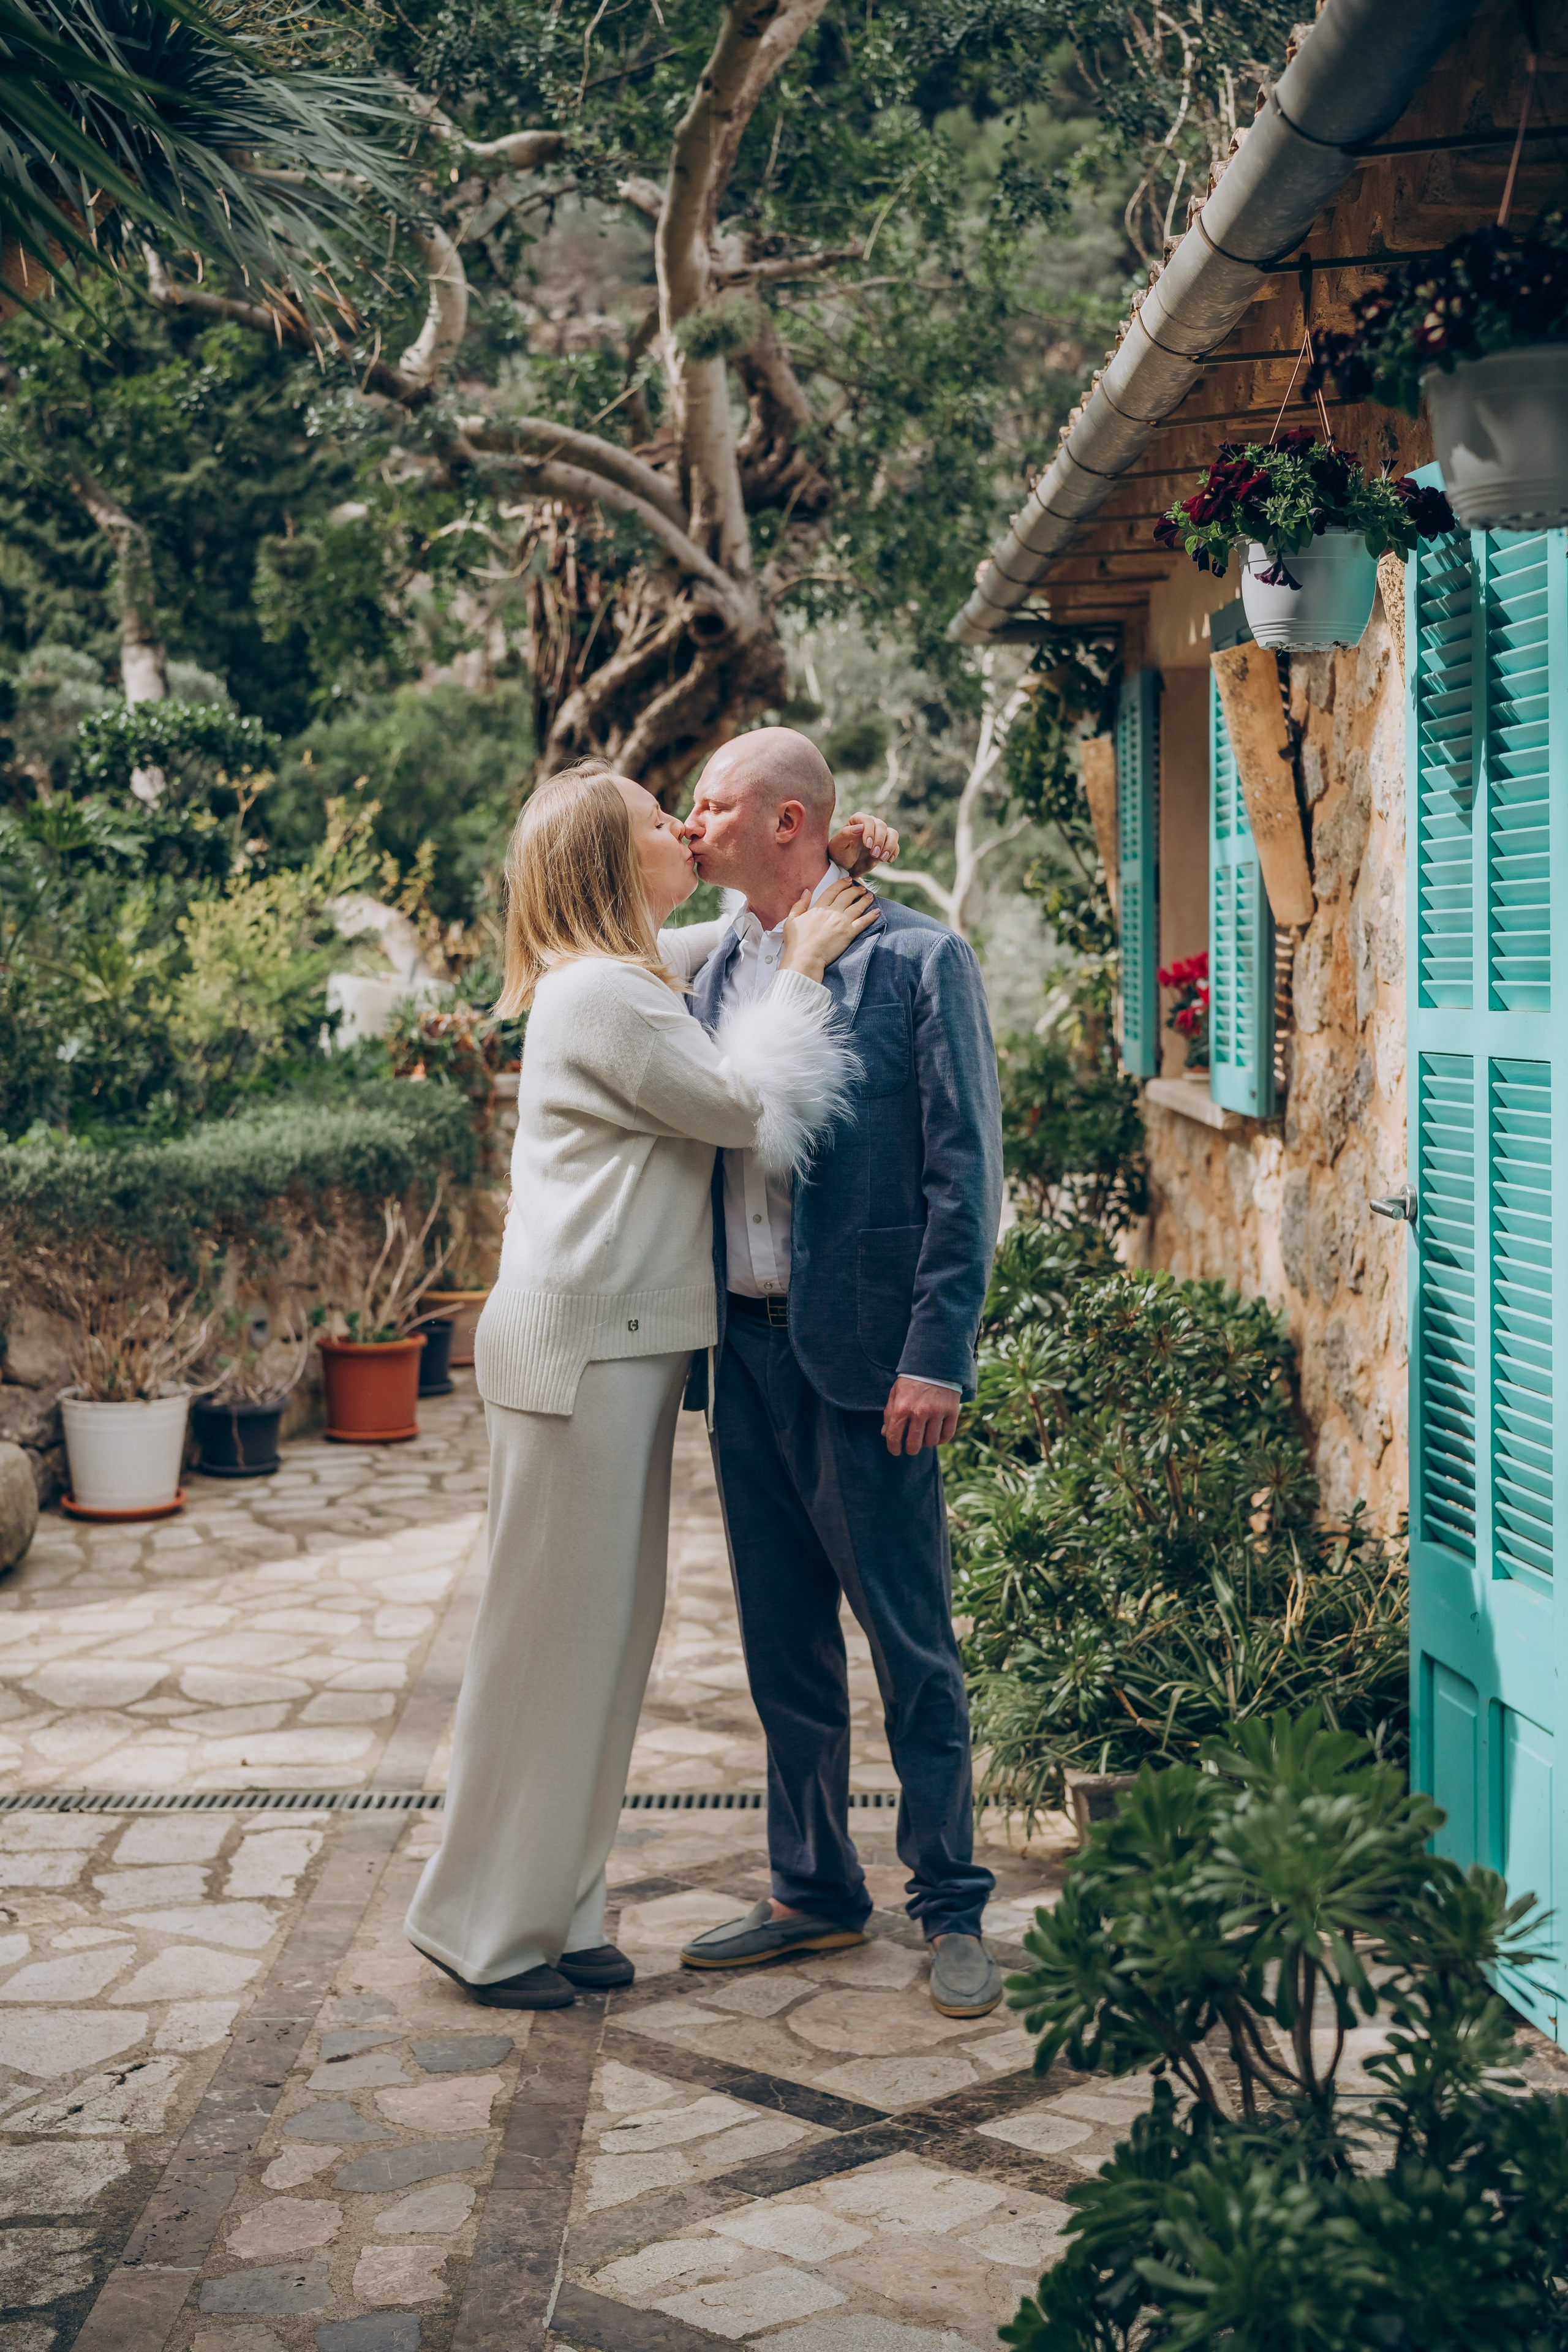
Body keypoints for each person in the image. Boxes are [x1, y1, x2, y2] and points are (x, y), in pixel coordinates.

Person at [404, 758, 892, 2009]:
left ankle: (558, 1910)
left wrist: (819, 873)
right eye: (654, 820)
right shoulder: (603, 998)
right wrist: (800, 966)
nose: (682, 827)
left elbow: (729, 934)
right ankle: (482, 1929)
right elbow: (738, 1106)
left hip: (611, 1358)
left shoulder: (627, 974)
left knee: (605, 1648)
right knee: (548, 1651)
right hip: (577, 1359)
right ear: (611, 862)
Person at [674, 728, 1006, 2019]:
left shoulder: (920, 961)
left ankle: (951, 1903)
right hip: (741, 1352)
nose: (691, 823)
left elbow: (963, 1176)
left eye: (712, 804)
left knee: (910, 1643)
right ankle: (811, 1890)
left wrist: (937, 1355)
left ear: (785, 821)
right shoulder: (712, 969)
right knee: (782, 1646)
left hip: (871, 1362)